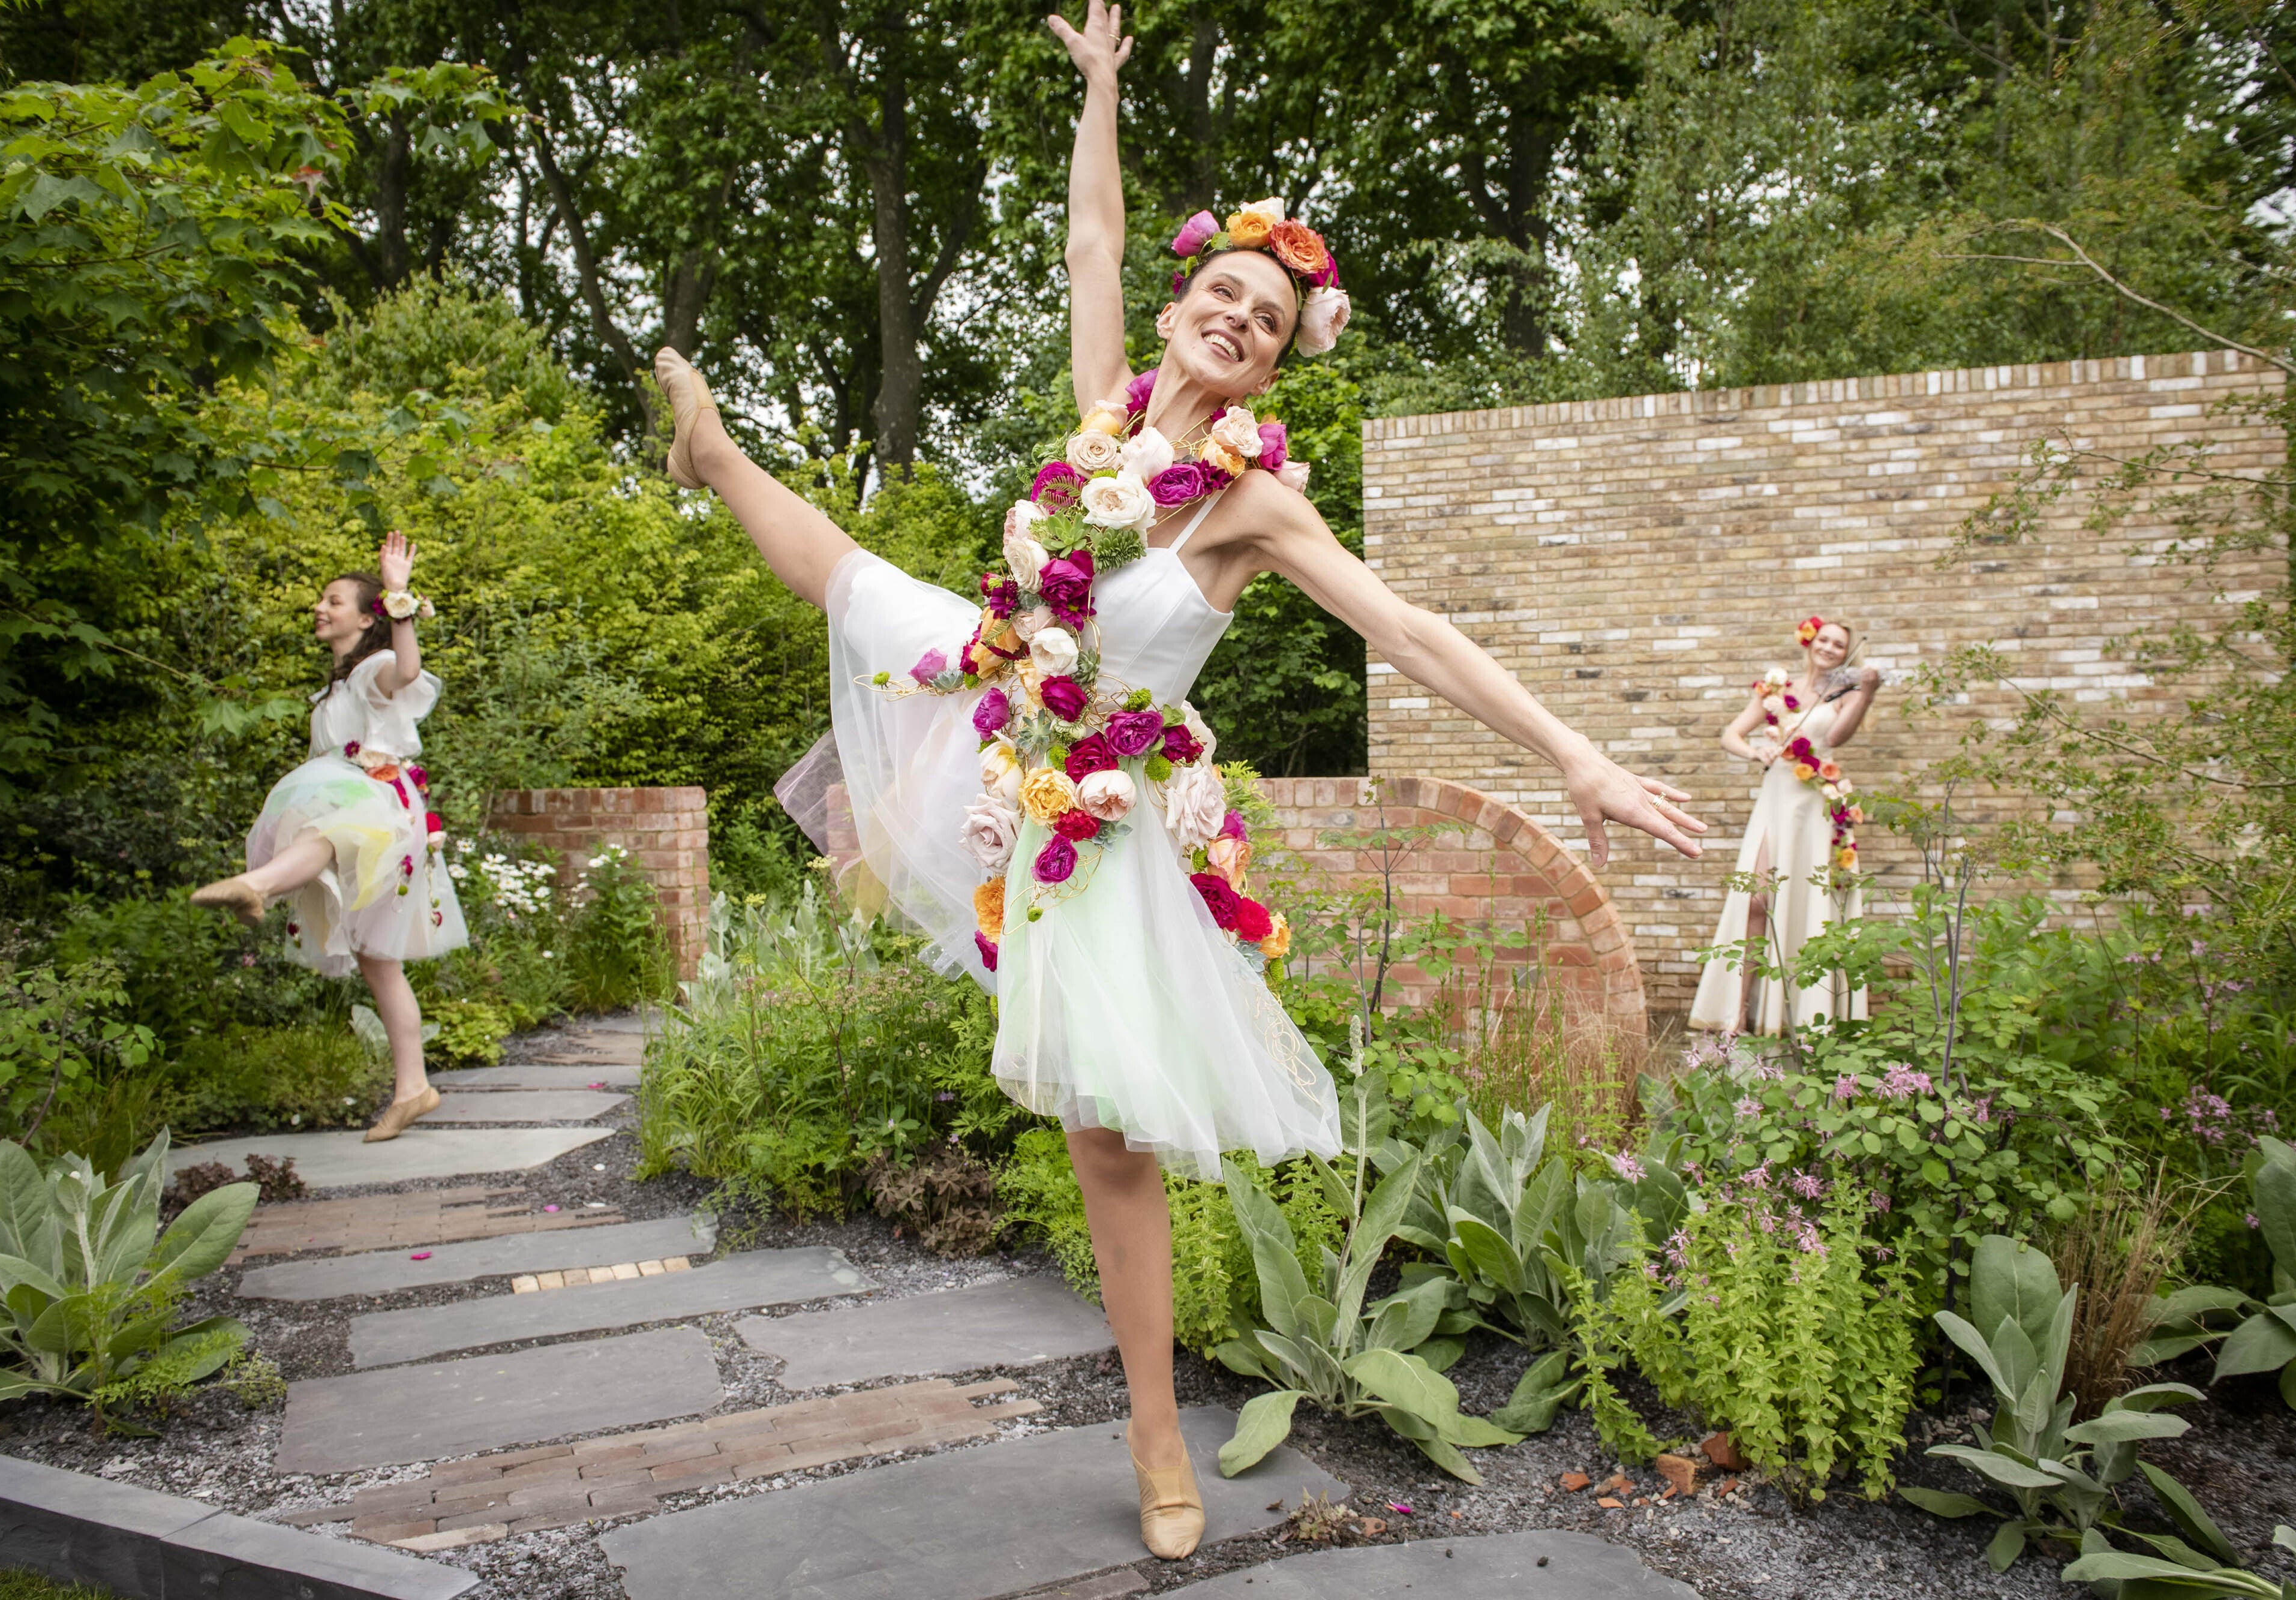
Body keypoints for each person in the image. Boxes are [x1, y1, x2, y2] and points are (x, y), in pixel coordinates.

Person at [648, 0, 1704, 1556]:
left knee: (1110, 1136)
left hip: (1112, 817)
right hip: (1007, 719)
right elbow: (1091, 240)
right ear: (1179, 310)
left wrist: (1577, 755)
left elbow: (1409, 629)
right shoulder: (1103, 421)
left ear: (1281, 359)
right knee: (869, 591)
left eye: (1267, 320)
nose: (1238, 321)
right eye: (1221, 293)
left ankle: (1153, 1425)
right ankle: (715, 459)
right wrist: (1098, 92)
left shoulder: (1250, 505)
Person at [190, 531, 468, 1142]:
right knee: (379, 963)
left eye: (334, 600)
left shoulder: (373, 670)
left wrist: (398, 593)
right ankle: (413, 1088)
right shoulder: (337, 687)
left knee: (328, 828)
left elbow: (409, 668)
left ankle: (255, 885)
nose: (321, 607)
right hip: (361, 802)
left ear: (366, 616)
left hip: (378, 807)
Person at [1690, 616, 1881, 1035]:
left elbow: (1839, 735)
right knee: (1757, 900)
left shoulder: (1844, 692)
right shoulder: (1778, 688)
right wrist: (1755, 752)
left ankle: (1805, 1016)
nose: (1830, 648)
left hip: (1815, 806)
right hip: (1777, 801)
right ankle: (1737, 1011)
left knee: (1810, 903)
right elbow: (1731, 734)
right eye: (1825, 639)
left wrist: (1865, 694)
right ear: (1810, 639)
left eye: (1839, 644)